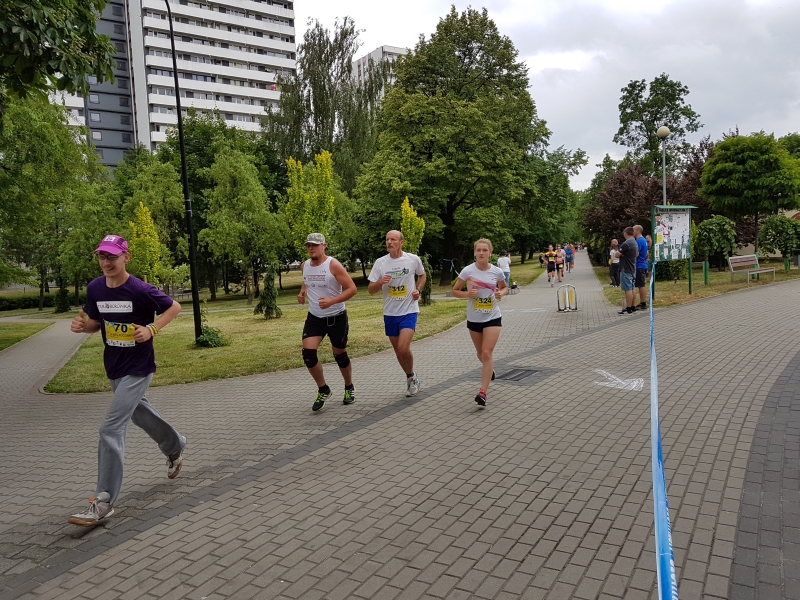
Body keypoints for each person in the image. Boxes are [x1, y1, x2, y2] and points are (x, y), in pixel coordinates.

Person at [68, 235, 185, 527]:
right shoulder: (95, 288)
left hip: (139, 366)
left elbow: (174, 307)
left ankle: (103, 500)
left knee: (110, 428)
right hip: (114, 366)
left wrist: (152, 329)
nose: (106, 262)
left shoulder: (140, 289)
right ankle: (174, 444)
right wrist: (83, 326)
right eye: (102, 257)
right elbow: (96, 323)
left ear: (126, 257)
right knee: (138, 414)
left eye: (112, 257)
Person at [298, 233, 358, 412]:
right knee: (308, 354)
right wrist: (302, 293)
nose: (311, 248)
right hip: (314, 317)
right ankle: (323, 389)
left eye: (314, 245)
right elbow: (306, 281)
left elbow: (352, 289)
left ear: (323, 246)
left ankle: (349, 387)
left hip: (336, 317)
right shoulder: (304, 266)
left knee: (339, 354)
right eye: (308, 245)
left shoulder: (333, 265)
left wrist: (332, 301)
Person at [368, 230, 427, 397]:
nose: (389, 242)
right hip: (390, 313)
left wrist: (418, 290)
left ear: (401, 242)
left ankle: (411, 378)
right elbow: (371, 290)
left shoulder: (412, 259)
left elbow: (422, 276)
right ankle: (411, 377)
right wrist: (380, 282)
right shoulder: (380, 263)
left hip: (409, 310)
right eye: (387, 239)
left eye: (393, 239)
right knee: (398, 351)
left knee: (403, 348)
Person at [452, 238, 508, 406]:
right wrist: (467, 294)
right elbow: (455, 291)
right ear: (475, 253)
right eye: (478, 250)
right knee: (480, 354)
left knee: (486, 353)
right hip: (474, 317)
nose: (481, 253)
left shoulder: (497, 271)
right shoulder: (468, 271)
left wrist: (501, 294)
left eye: (485, 250)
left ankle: (482, 392)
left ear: (490, 253)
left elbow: (504, 287)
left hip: (492, 316)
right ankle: (489, 368)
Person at [616, 227, 639, 315]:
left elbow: (617, 255)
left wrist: (621, 255)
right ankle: (633, 306)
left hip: (625, 268)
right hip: (632, 268)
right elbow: (637, 254)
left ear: (625, 233)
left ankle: (628, 308)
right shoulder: (635, 242)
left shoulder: (626, 243)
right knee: (632, 288)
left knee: (628, 289)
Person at [633, 224, 649, 310]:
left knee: (641, 285)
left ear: (637, 231)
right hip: (643, 264)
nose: (632, 232)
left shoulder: (638, 241)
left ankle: (643, 303)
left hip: (639, 265)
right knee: (641, 284)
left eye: (633, 230)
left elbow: (636, 253)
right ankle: (643, 302)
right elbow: (646, 253)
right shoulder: (644, 240)